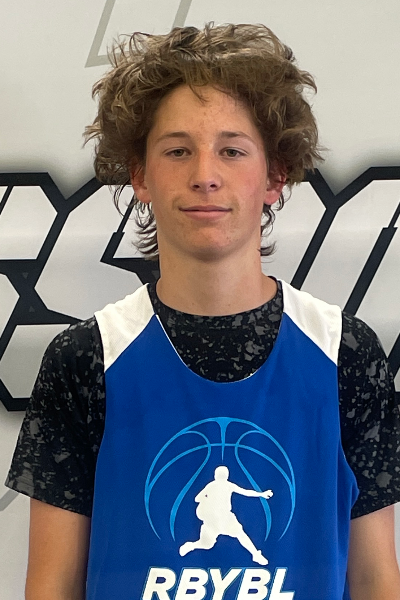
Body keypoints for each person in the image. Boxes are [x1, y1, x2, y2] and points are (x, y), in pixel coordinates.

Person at [5, 23, 400, 600]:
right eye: (177, 150)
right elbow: (51, 584)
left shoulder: (346, 352)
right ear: (139, 175)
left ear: (275, 175)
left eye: (232, 150)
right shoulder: (84, 359)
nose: (205, 176)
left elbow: (374, 577)